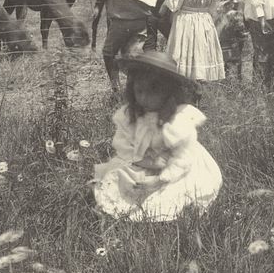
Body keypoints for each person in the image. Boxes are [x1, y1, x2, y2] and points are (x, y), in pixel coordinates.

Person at [90, 51, 222, 222]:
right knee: (118, 175)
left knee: (174, 193)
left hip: (176, 166)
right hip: (142, 160)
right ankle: (115, 206)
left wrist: (161, 178)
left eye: (153, 91)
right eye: (139, 91)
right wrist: (140, 160)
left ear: (169, 93)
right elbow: (122, 143)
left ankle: (156, 211)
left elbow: (183, 157)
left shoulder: (177, 120)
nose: (144, 98)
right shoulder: (132, 114)